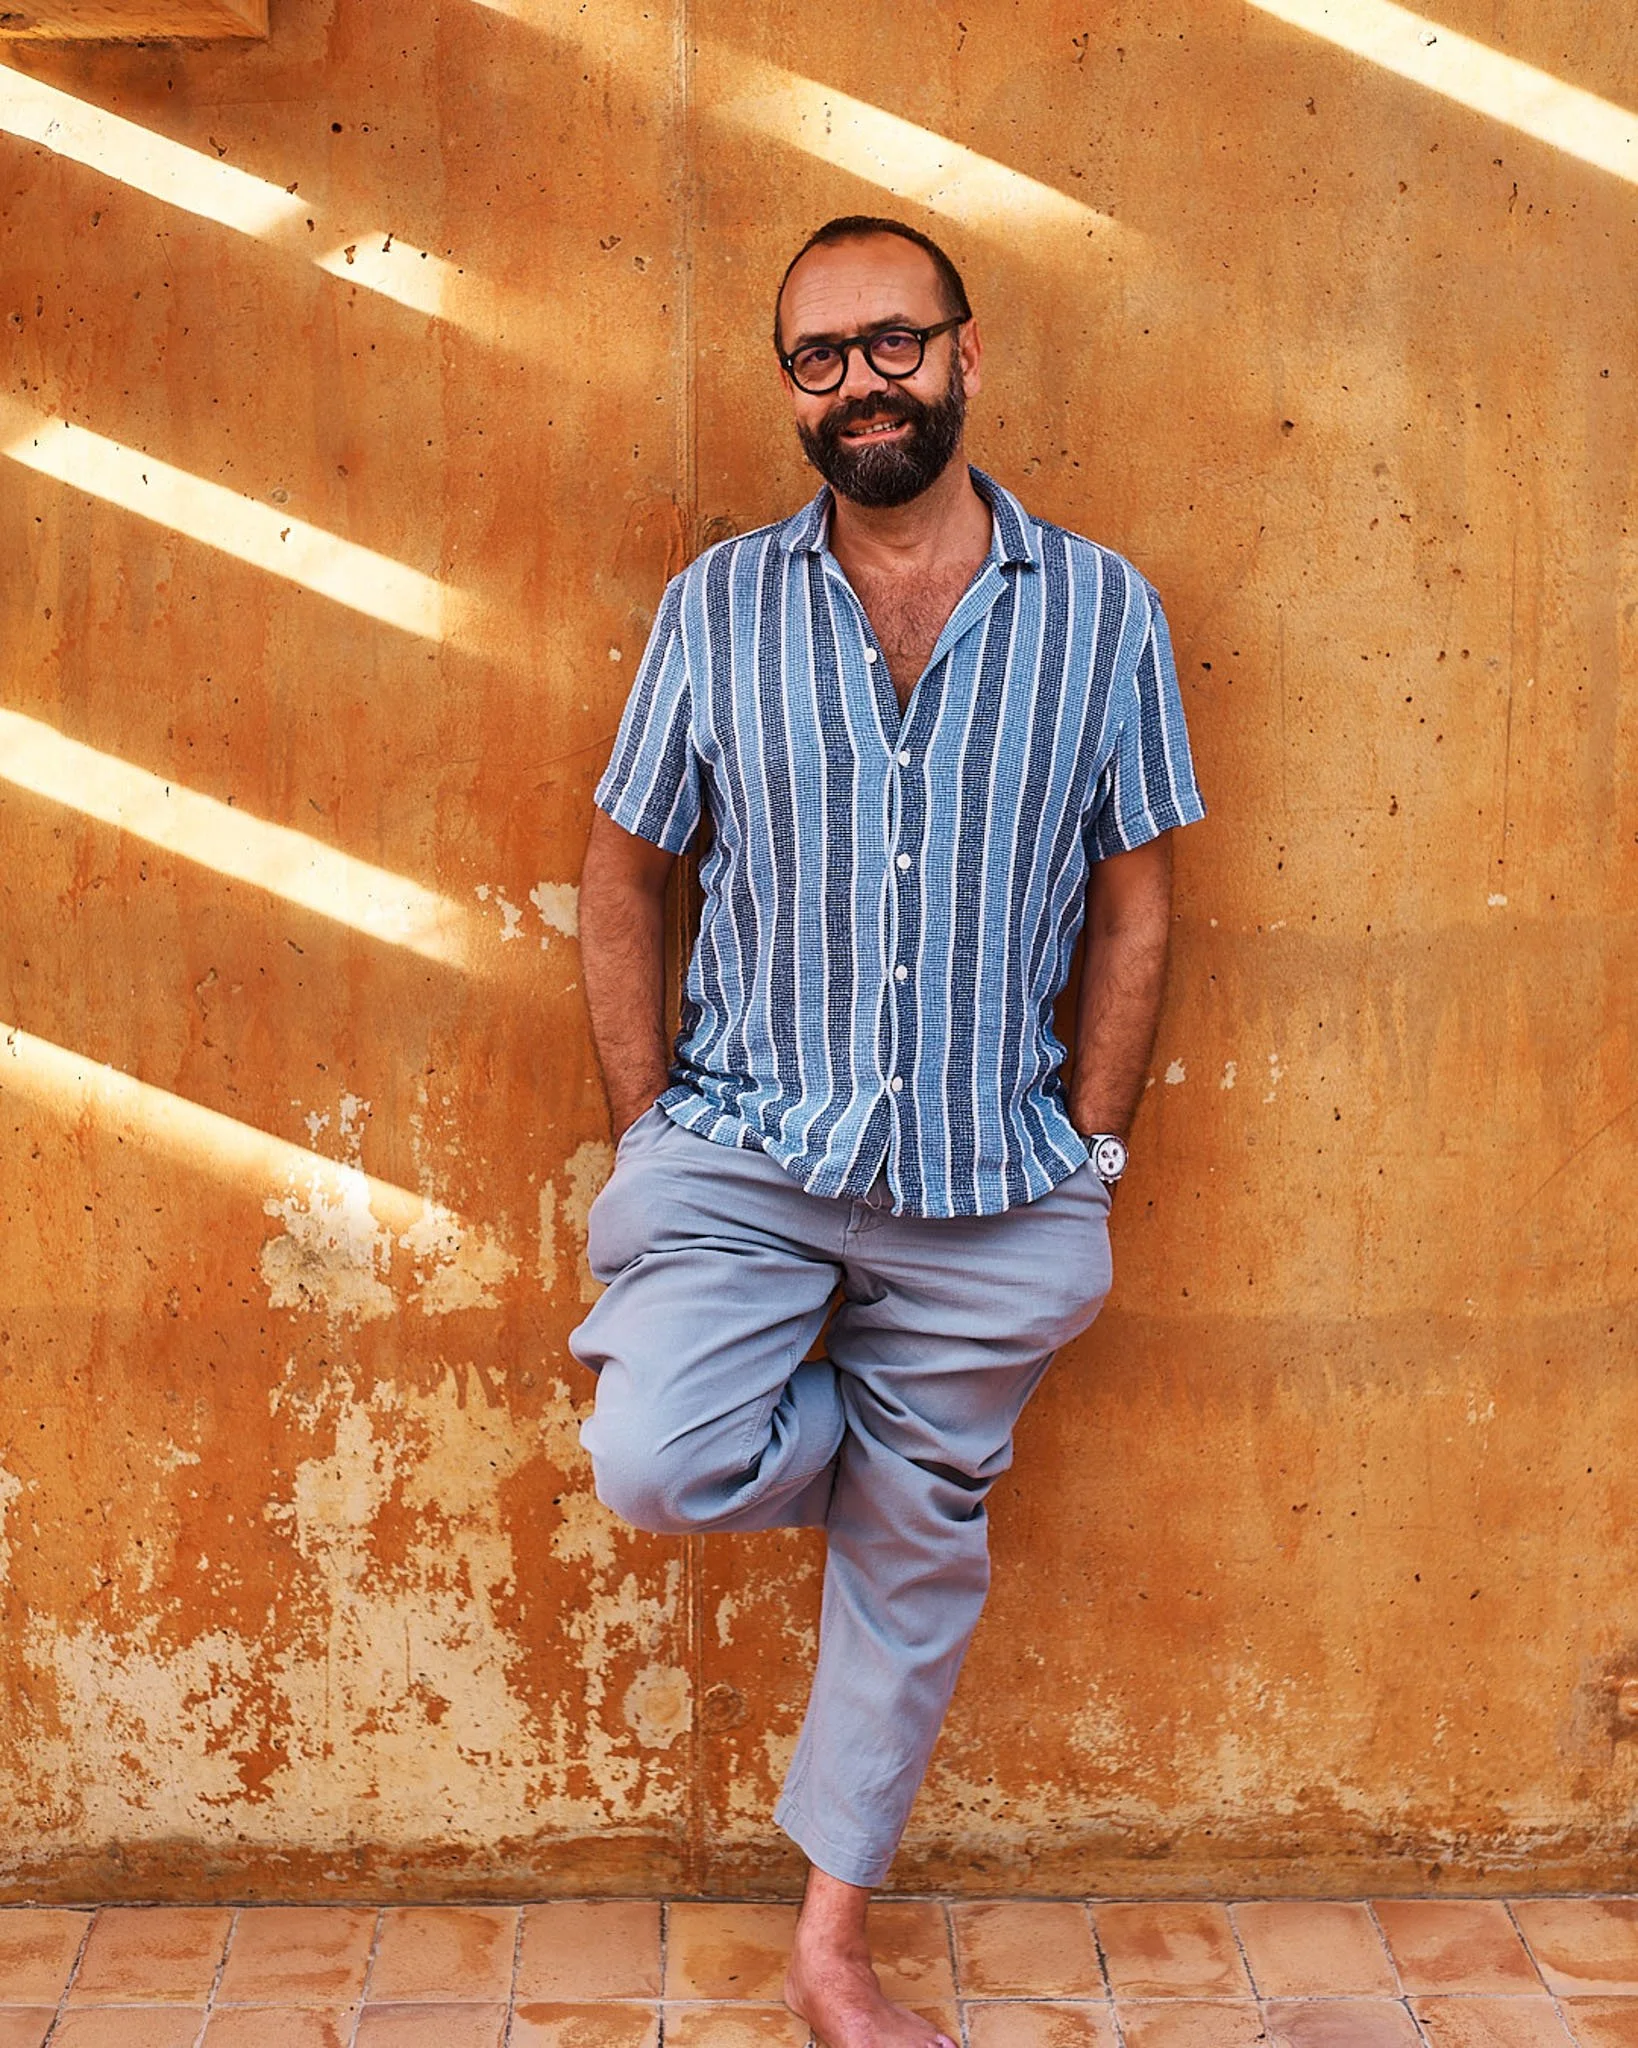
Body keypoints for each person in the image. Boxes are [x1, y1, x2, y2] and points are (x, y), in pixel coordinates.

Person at [570, 214, 1205, 2048]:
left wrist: (1088, 1152)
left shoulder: (1101, 610)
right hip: (746, 1157)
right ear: (791, 391)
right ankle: (907, 1476)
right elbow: (625, 871)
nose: (859, 383)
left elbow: (1134, 902)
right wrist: (643, 1137)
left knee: (916, 1568)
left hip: (992, 1186)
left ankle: (828, 1942)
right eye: (817, 357)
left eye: (890, 343)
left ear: (965, 353)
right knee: (659, 1463)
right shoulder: (717, 607)